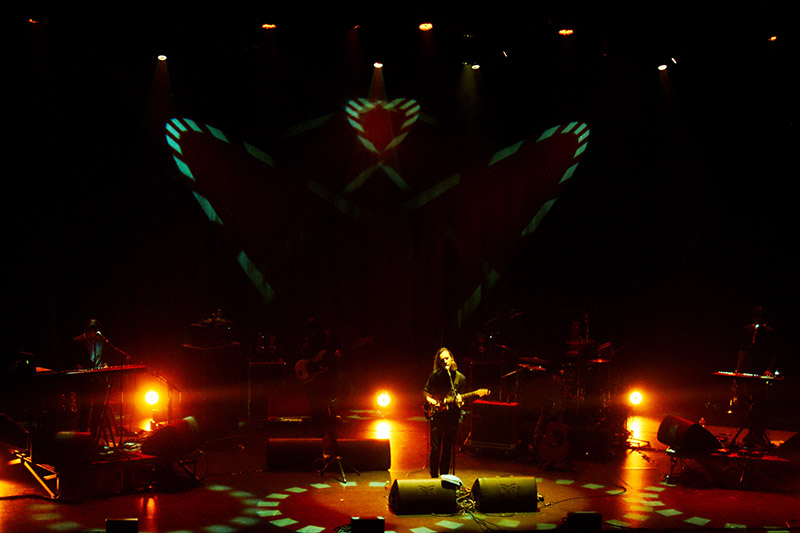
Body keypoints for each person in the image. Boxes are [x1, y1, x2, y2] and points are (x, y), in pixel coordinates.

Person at [423, 347, 466, 478]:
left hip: (451, 417)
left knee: (447, 449)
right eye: (442, 360)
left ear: (452, 358)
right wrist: (429, 399)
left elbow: (462, 400)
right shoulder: (435, 375)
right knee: (435, 448)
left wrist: (460, 401)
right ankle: (433, 476)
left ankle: (445, 476)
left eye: (447, 358)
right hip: (437, 415)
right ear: (439, 362)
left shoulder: (460, 378)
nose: (445, 362)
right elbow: (425, 390)